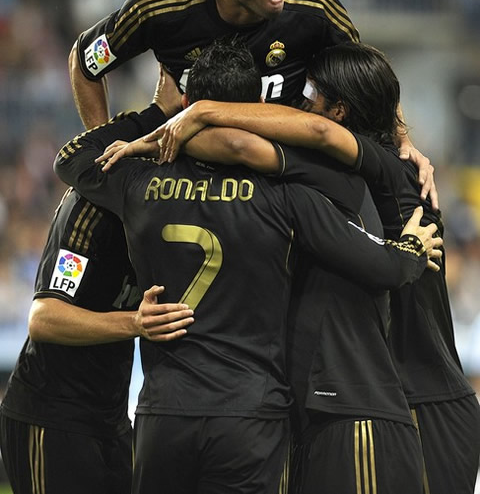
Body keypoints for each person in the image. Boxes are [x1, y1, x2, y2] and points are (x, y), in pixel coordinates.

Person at [55, 39, 441, 494]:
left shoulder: (136, 181)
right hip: (251, 412)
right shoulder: (286, 194)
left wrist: (158, 124)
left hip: (165, 411)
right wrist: (412, 248)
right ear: (258, 107)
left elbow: (72, 157)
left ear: (184, 103)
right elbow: (383, 265)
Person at [147, 41, 480, 494]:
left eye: (310, 94)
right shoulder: (354, 173)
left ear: (339, 111)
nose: (300, 106)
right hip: (372, 400)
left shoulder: (383, 174)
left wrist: (192, 113)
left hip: (417, 403)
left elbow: (244, 145)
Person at [68, 0, 436, 204]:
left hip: (285, 171)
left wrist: (404, 141)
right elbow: (84, 62)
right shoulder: (159, 12)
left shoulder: (314, 8)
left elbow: (367, 78)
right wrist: (103, 135)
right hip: (188, 170)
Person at [0, 83, 194, 494]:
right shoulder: (91, 207)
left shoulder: (169, 208)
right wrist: (136, 322)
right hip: (50, 418)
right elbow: (44, 318)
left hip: (109, 418)